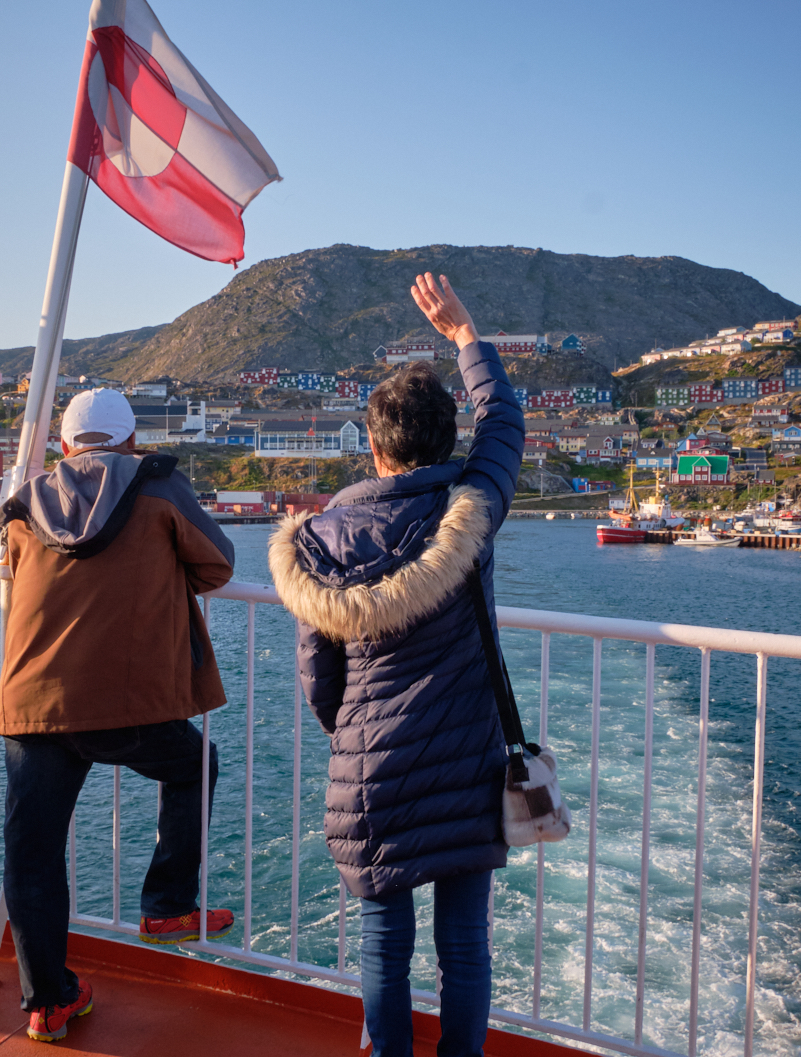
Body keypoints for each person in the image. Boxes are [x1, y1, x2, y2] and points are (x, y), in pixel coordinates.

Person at [269, 274, 524, 1056]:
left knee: (383, 944)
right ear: (445, 445)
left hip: (371, 770)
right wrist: (464, 336)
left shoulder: (319, 543)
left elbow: (320, 675)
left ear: (373, 446)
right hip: (465, 762)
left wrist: (352, 732)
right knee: (464, 947)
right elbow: (504, 424)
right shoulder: (470, 512)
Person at [0, 387, 237, 1043]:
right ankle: (165, 905)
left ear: (66, 446)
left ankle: (49, 1000)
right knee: (194, 763)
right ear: (130, 441)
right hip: (128, 701)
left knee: (32, 853)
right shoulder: (159, 486)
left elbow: (16, 569)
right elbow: (218, 563)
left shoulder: (24, 504)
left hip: (34, 703)